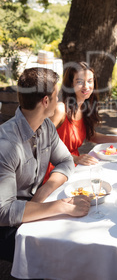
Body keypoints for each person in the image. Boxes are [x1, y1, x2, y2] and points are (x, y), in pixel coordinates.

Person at [0, 67, 91, 263]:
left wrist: (43, 193)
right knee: (66, 253)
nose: (59, 101)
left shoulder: (46, 126)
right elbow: (4, 212)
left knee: (83, 231)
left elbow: (66, 161)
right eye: (56, 95)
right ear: (46, 101)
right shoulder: (5, 145)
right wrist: (59, 206)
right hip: (7, 229)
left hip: (37, 205)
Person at [44, 62, 117, 182]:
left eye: (90, 81)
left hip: (74, 166)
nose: (86, 86)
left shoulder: (84, 107)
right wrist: (74, 159)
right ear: (71, 84)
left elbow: (90, 135)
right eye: (80, 82)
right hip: (55, 171)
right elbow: (42, 145)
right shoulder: (60, 109)